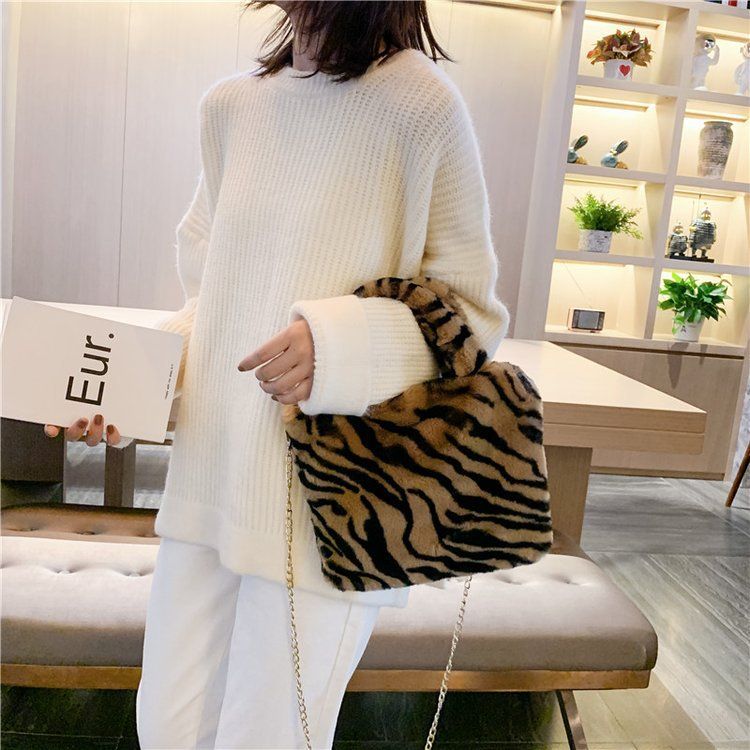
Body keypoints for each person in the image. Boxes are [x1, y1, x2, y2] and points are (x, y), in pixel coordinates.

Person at [44, 1, 511, 747]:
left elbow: (471, 318)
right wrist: (129, 388)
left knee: (268, 736)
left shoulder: (420, 107)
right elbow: (214, 300)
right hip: (211, 483)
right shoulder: (232, 108)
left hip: (334, 501)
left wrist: (337, 346)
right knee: (166, 728)